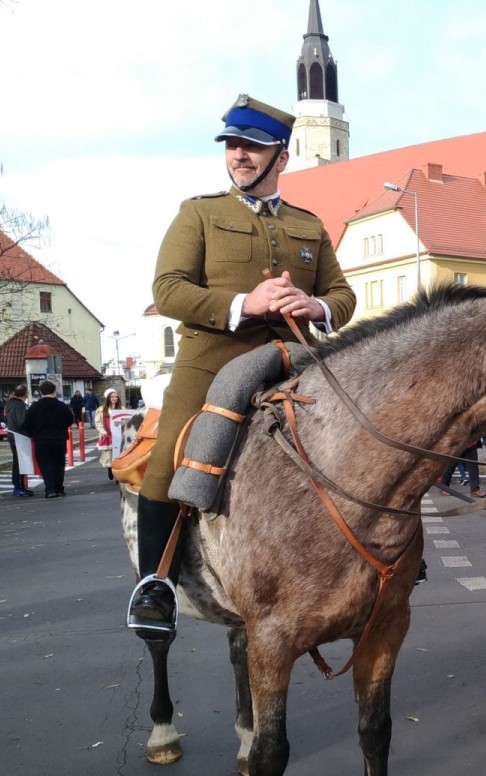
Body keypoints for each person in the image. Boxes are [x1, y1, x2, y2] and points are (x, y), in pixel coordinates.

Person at [129, 94, 357, 631]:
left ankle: (391, 552)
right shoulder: (199, 214)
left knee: (366, 431)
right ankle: (155, 586)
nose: (239, 155)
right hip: (213, 359)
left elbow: (343, 297)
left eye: (252, 146)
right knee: (169, 454)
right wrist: (244, 304)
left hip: (297, 360)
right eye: (232, 145)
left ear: (282, 157)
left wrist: (316, 306)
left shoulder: (309, 225)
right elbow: (168, 289)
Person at [22, 380, 75, 498]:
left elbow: (26, 424)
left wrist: (32, 433)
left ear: (41, 392)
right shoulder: (61, 406)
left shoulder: (35, 407)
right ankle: (59, 488)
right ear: (54, 391)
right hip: (59, 438)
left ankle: (50, 489)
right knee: (59, 464)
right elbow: (70, 419)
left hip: (42, 439)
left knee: (45, 464)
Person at [5, 384, 34, 497]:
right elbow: (22, 421)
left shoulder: (9, 404)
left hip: (13, 434)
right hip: (20, 436)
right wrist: (31, 431)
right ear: (25, 394)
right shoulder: (20, 406)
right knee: (20, 462)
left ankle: (19, 486)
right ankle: (19, 486)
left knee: (18, 461)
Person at [97, 388, 122, 481]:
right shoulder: (101, 410)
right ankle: (110, 468)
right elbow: (98, 422)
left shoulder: (121, 409)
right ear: (108, 398)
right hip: (108, 435)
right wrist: (103, 432)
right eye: (112, 397)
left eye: (116, 397)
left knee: (119, 455)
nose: (114, 398)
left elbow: (127, 420)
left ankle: (118, 474)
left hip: (119, 435)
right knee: (109, 456)